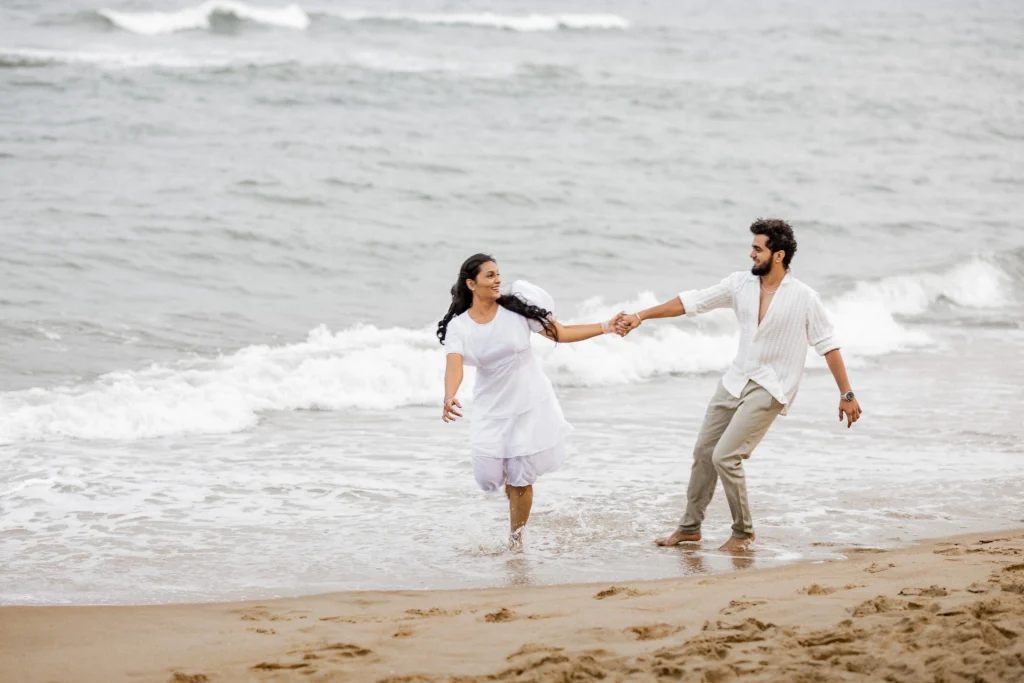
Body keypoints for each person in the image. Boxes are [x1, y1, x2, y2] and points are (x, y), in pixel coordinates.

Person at [617, 218, 862, 552]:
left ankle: (743, 534)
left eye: (757, 249)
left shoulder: (805, 298)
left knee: (726, 457)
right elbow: (692, 301)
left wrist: (846, 394)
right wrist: (641, 316)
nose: (751, 255)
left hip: (771, 386)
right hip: (735, 380)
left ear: (779, 255)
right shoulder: (740, 284)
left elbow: (827, 345)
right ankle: (689, 529)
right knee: (704, 453)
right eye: (752, 247)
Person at [438, 253, 624, 550]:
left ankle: (516, 540)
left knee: (520, 476)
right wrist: (450, 395)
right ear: (471, 284)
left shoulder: (517, 312)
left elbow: (560, 333)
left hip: (530, 401)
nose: (498, 279)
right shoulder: (459, 327)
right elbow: (454, 365)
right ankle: (513, 498)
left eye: (498, 274)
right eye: (489, 275)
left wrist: (606, 326)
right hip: (492, 407)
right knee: (487, 475)